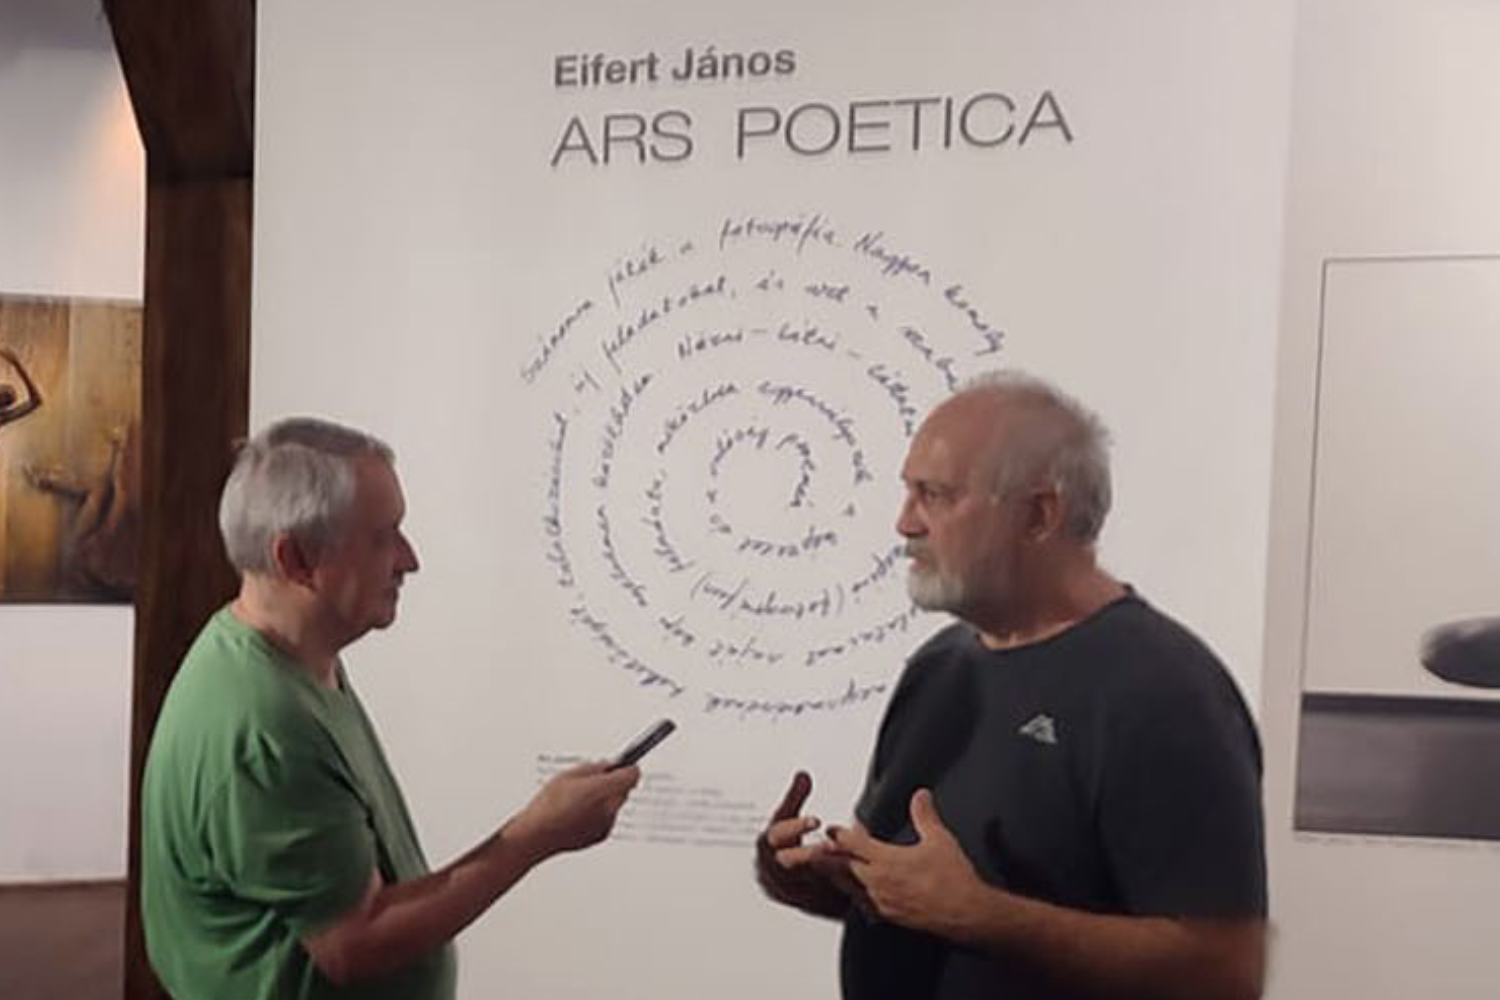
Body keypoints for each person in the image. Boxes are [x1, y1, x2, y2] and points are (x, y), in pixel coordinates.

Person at [755, 371, 1267, 1000]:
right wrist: (826, 882)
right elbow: (921, 901)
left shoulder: (1164, 694)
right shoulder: (939, 669)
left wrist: (982, 916)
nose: (905, 523)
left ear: (1038, 514)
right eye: (908, 492)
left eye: (934, 495)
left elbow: (1225, 971)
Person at [141, 417, 640, 1000]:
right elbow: (354, 942)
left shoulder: (295, 660)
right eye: (383, 538)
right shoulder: (263, 726)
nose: (409, 559)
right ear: (296, 559)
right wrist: (536, 836)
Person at [0, 345, 42, 428]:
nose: (2, 395)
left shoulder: (2, 417)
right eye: (2, 389)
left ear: (4, 406)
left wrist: (18, 365)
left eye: (5, 397)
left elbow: (36, 401)